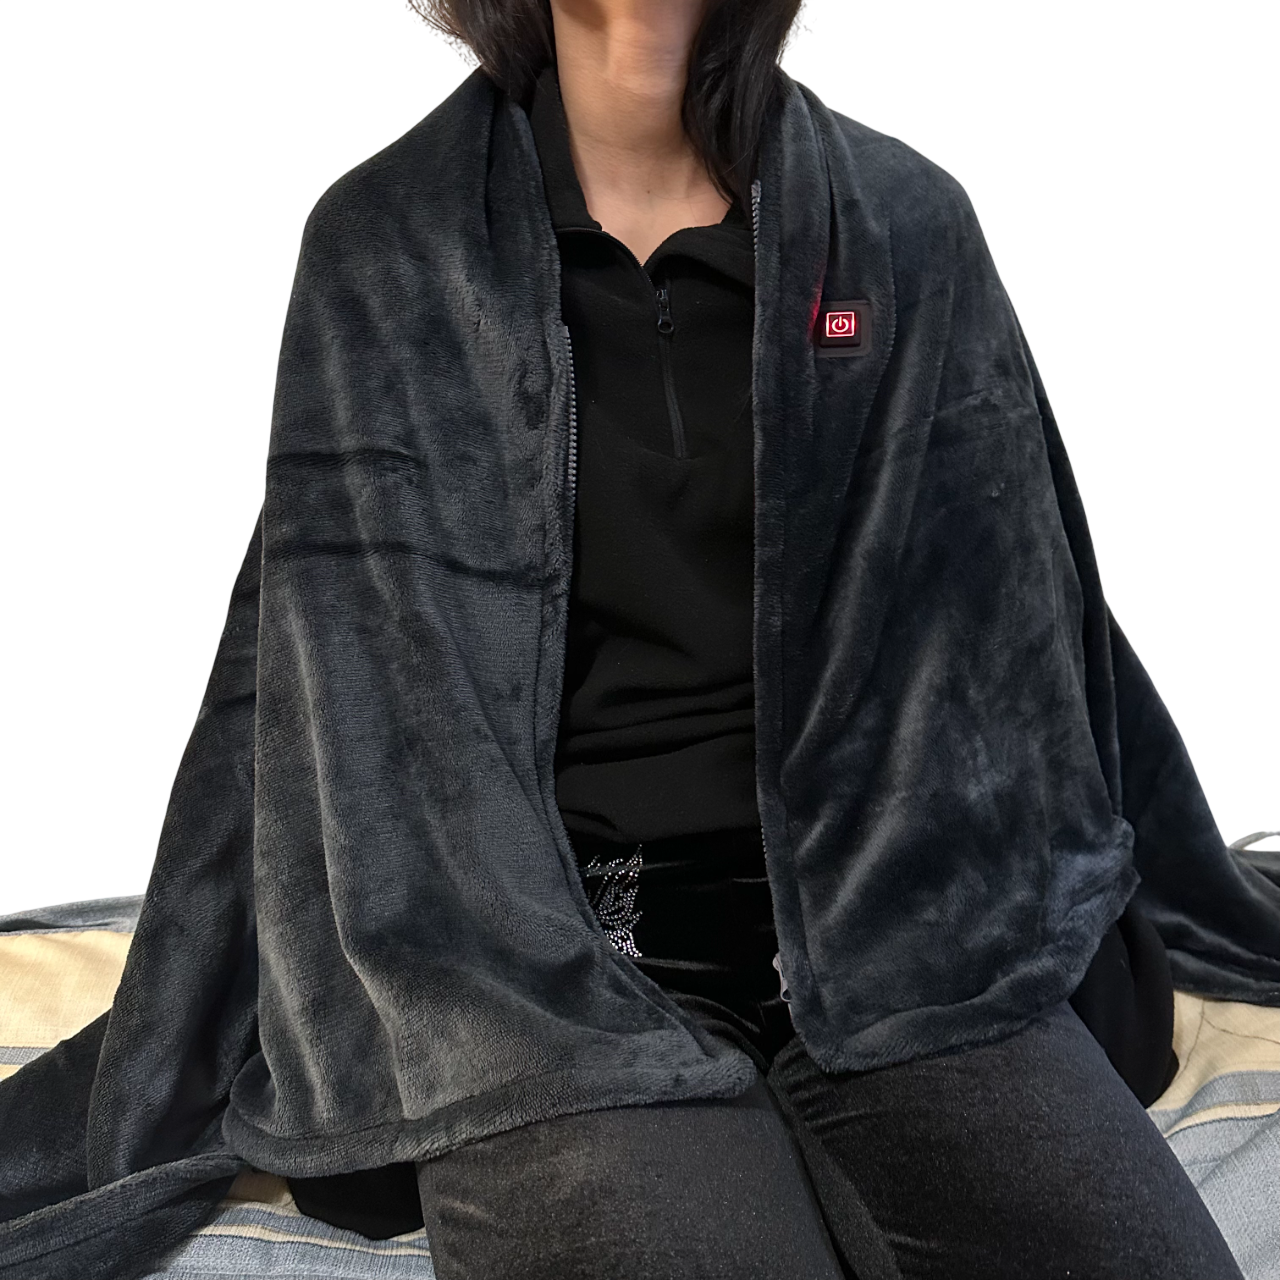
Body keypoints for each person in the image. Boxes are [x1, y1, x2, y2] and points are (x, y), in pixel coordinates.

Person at [3, 2, 1275, 1278]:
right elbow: (359, 703)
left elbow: (1008, 643)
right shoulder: (388, 247)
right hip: (545, 963)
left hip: (889, 931)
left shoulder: (901, 223)